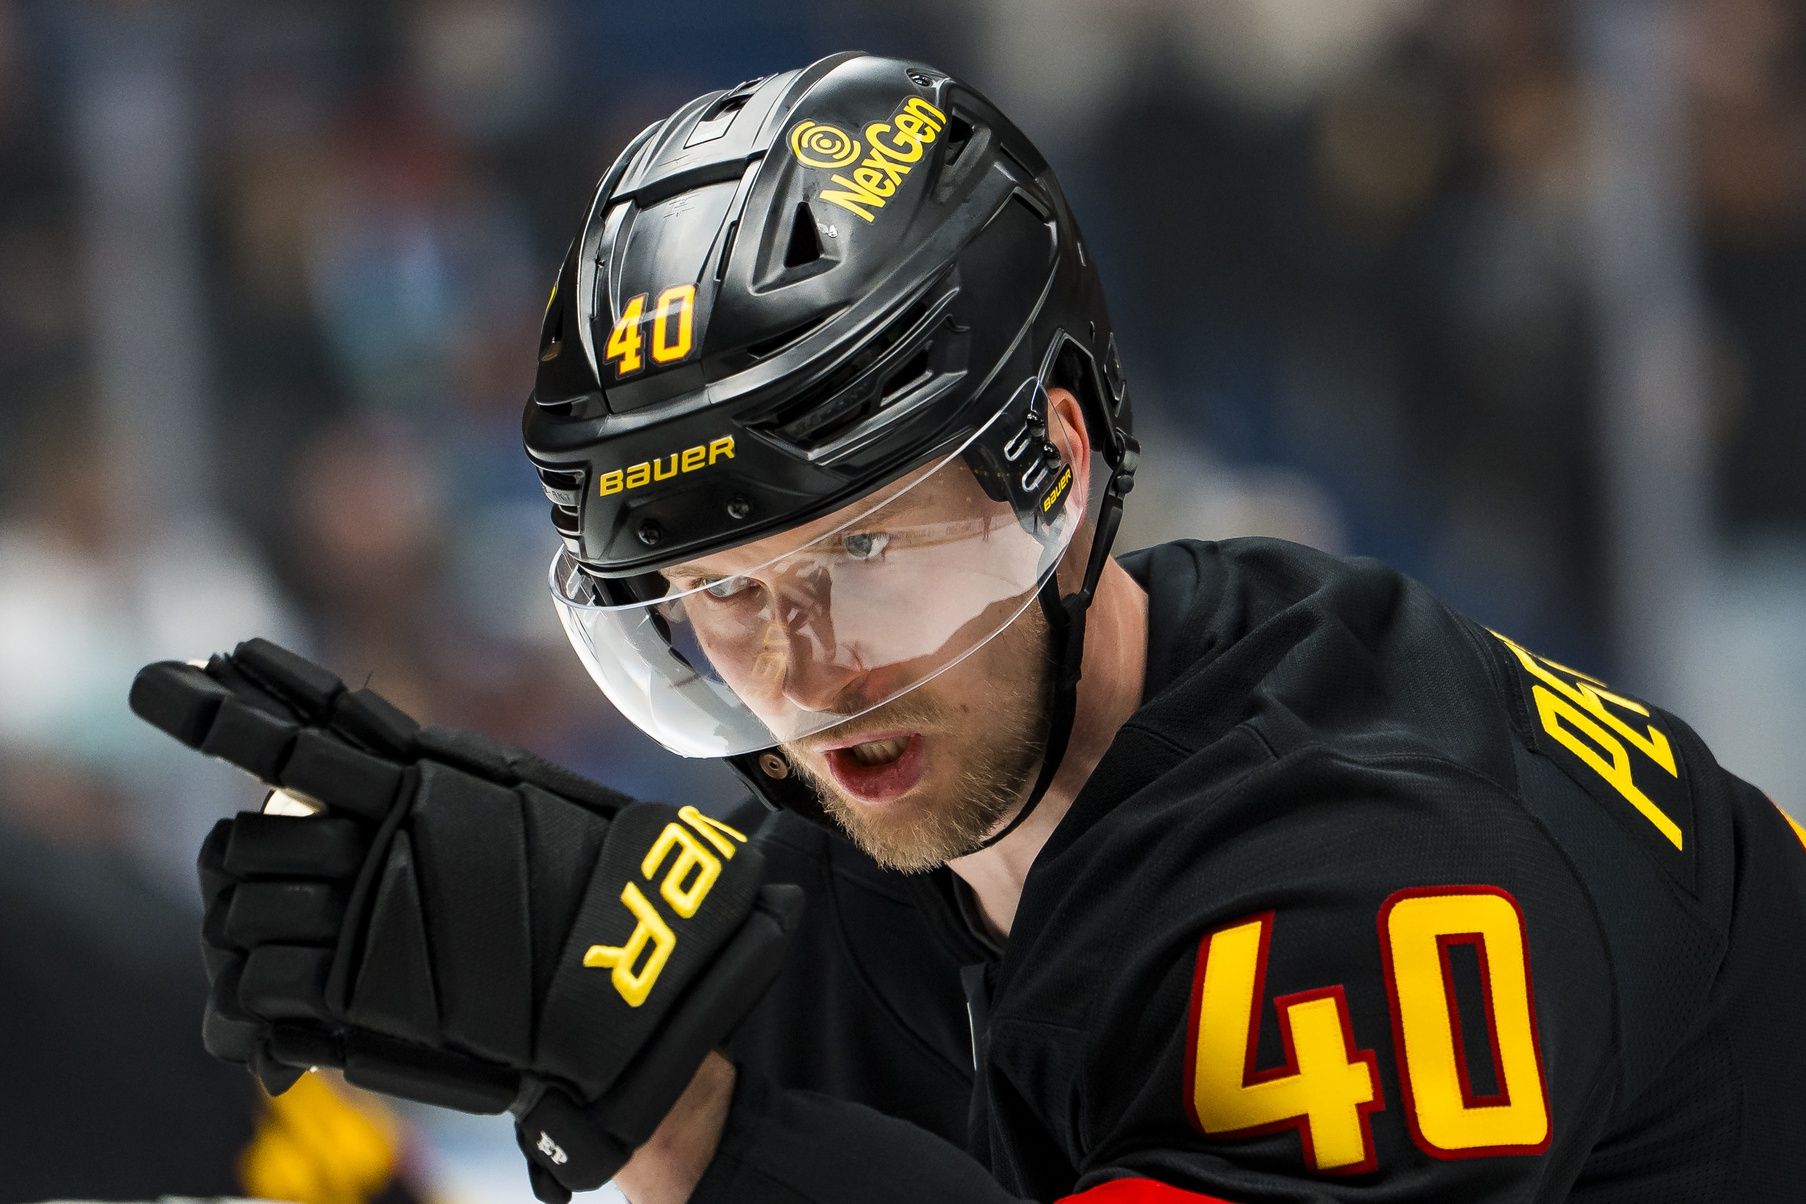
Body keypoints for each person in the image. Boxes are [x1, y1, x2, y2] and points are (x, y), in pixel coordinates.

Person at [131, 52, 1806, 1203]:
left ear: (1051, 470)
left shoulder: (1380, 878)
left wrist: (683, 1116)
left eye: (862, 549)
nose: (802, 668)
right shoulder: (834, 883)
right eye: (723, 592)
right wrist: (520, 1089)